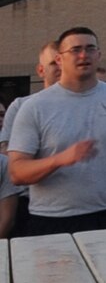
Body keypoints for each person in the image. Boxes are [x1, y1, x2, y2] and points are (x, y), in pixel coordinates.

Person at [6, 27, 106, 234]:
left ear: (99, 55)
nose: (83, 55)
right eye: (75, 50)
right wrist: (59, 159)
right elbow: (17, 173)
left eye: (90, 49)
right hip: (51, 219)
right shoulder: (35, 107)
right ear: (59, 59)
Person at [0, 44, 62, 236]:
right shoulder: (22, 106)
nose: (60, 67)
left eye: (62, 61)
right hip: (31, 202)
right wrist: (58, 159)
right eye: (53, 63)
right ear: (41, 70)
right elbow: (8, 155)